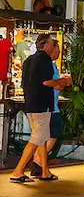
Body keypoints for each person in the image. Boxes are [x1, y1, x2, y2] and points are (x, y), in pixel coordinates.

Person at [10, 34, 68, 183]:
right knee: (36, 139)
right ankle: (18, 170)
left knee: (41, 138)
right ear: (46, 45)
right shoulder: (45, 60)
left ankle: (45, 171)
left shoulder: (29, 60)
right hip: (42, 105)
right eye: (51, 43)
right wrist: (62, 81)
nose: (53, 46)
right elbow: (46, 82)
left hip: (30, 103)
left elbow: (25, 82)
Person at [31, 40, 71, 177]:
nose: (59, 53)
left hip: (46, 105)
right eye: (58, 49)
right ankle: (37, 161)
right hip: (50, 107)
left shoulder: (49, 65)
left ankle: (40, 164)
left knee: (43, 137)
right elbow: (55, 84)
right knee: (51, 135)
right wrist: (64, 82)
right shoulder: (49, 65)